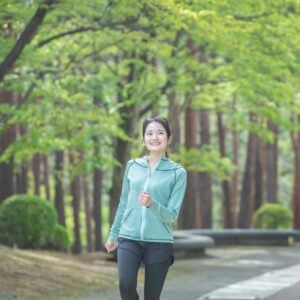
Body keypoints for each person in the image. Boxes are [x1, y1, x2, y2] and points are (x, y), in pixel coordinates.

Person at [105, 116, 187, 300]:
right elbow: (124, 202)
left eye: (160, 133)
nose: (154, 137)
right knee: (125, 287)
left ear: (169, 138)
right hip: (129, 237)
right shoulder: (132, 166)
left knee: (152, 297)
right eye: (149, 133)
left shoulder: (177, 173)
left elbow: (172, 215)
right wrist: (113, 235)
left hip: (159, 242)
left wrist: (153, 204)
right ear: (143, 139)